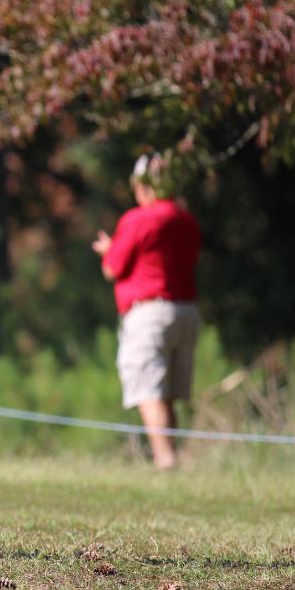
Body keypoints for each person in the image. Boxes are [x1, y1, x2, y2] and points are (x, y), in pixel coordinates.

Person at [92, 154, 201, 470]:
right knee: (166, 394)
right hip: (186, 311)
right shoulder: (186, 220)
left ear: (145, 187)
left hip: (149, 313)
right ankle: (170, 456)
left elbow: (113, 268)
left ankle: (165, 460)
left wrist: (108, 250)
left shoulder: (138, 219)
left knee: (148, 389)